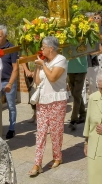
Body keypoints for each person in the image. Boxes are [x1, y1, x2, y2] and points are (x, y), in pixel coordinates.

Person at [29, 36, 68, 177]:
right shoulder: (43, 61)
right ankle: (37, 163)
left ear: (51, 48)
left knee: (56, 132)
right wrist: (38, 66)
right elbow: (38, 81)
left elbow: (52, 77)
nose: (41, 49)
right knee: (41, 133)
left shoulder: (61, 60)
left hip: (57, 101)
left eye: (43, 47)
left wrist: (43, 65)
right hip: (43, 101)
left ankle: (58, 157)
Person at [0, 25, 19, 139]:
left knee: (11, 106)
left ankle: (11, 128)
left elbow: (15, 68)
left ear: (5, 36)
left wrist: (10, 83)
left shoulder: (11, 48)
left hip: (8, 82)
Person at [67, 55, 88, 131]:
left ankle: (74, 119)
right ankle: (83, 114)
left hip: (80, 68)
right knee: (76, 94)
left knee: (76, 94)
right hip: (69, 68)